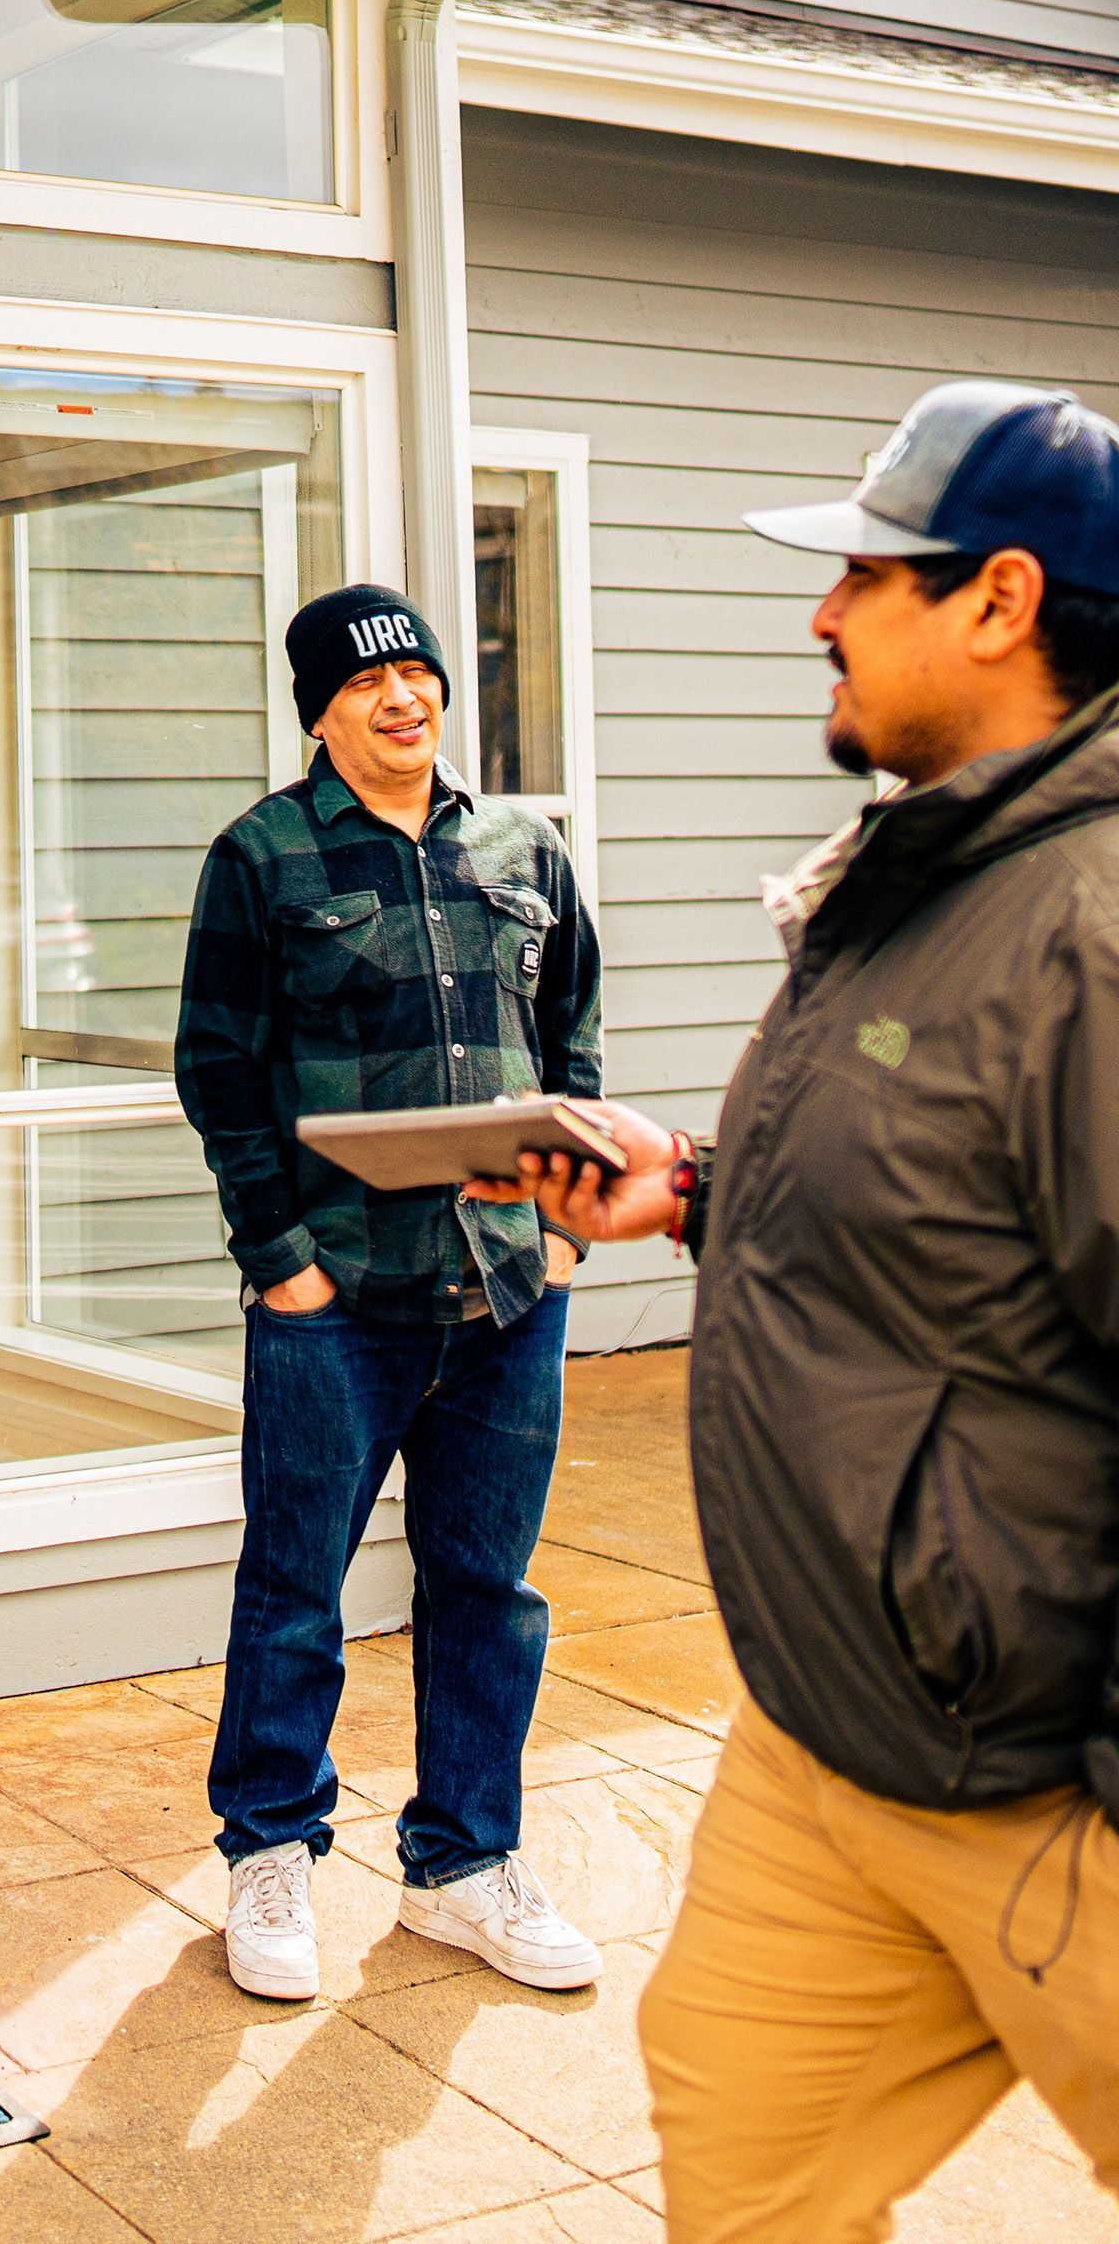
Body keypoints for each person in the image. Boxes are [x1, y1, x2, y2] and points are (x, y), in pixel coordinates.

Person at [470, 382, 1119, 2240]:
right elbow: (935, 1204)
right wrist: (691, 1191)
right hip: (833, 1740)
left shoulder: (1090, 922)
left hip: (1041, 1789)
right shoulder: (921, 877)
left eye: (861, 573)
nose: (819, 614)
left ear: (999, 601)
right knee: (738, 2145)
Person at [174, 581, 604, 2003]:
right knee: (295, 1585)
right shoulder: (267, 856)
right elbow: (218, 1070)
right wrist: (278, 1256)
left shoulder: (520, 843)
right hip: (336, 1298)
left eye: (418, 671)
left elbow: (572, 1029)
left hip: (502, 1296)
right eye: (369, 683)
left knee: (488, 1585)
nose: (403, 696)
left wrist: (562, 1198)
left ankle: (464, 1863)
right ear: (322, 710)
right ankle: (271, 1850)